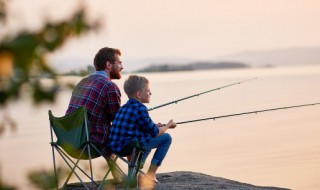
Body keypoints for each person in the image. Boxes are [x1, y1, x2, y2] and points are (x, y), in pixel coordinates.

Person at [65, 47, 123, 182]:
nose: (122, 66)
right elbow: (117, 120)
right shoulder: (110, 86)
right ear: (108, 64)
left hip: (69, 141)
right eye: (119, 63)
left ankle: (118, 174)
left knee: (103, 129)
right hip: (89, 145)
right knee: (125, 131)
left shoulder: (81, 82)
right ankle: (130, 176)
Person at [108, 75, 176, 188]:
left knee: (145, 136)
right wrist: (168, 126)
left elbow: (138, 126)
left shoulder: (123, 108)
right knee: (166, 138)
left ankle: (135, 173)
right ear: (139, 94)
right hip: (130, 147)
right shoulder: (141, 109)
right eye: (148, 91)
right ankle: (150, 174)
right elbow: (155, 133)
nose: (151, 94)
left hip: (115, 148)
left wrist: (155, 125)